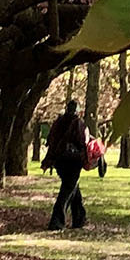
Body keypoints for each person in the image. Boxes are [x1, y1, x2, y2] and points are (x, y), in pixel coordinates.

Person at [42, 99, 87, 231]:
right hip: (73, 160)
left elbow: (51, 140)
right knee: (67, 190)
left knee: (72, 187)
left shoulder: (58, 122)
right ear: (77, 111)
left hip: (59, 161)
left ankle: (79, 217)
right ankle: (56, 221)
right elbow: (81, 141)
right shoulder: (78, 123)